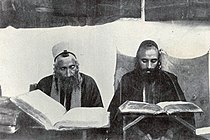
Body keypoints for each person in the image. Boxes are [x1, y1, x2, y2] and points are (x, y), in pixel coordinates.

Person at [108, 40, 195, 139]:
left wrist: (169, 135)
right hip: (135, 135)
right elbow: (114, 116)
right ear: (137, 60)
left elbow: (185, 115)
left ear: (159, 61)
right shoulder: (127, 80)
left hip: (165, 136)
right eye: (144, 61)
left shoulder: (170, 79)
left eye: (153, 61)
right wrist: (138, 135)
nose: (149, 66)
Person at [37, 42, 103, 110]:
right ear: (56, 69)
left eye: (72, 67)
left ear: (77, 66)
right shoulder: (44, 85)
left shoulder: (89, 84)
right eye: (63, 68)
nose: (68, 74)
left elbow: (98, 113)